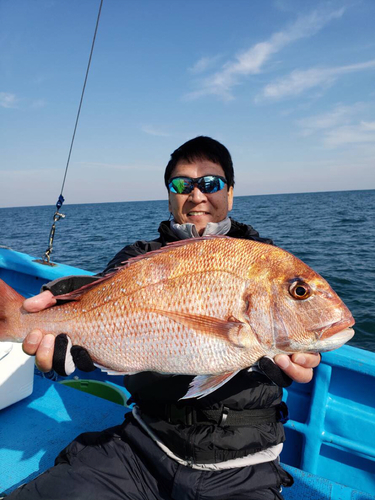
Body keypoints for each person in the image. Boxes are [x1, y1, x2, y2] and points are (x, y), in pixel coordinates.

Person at [13, 137, 320, 500]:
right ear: (170, 195)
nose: (196, 195)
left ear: (230, 193)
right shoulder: (137, 257)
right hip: (141, 447)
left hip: (244, 467)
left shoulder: (265, 261)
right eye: (181, 184)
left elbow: (301, 337)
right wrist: (60, 320)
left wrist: (299, 358)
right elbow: (98, 304)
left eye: (211, 183)